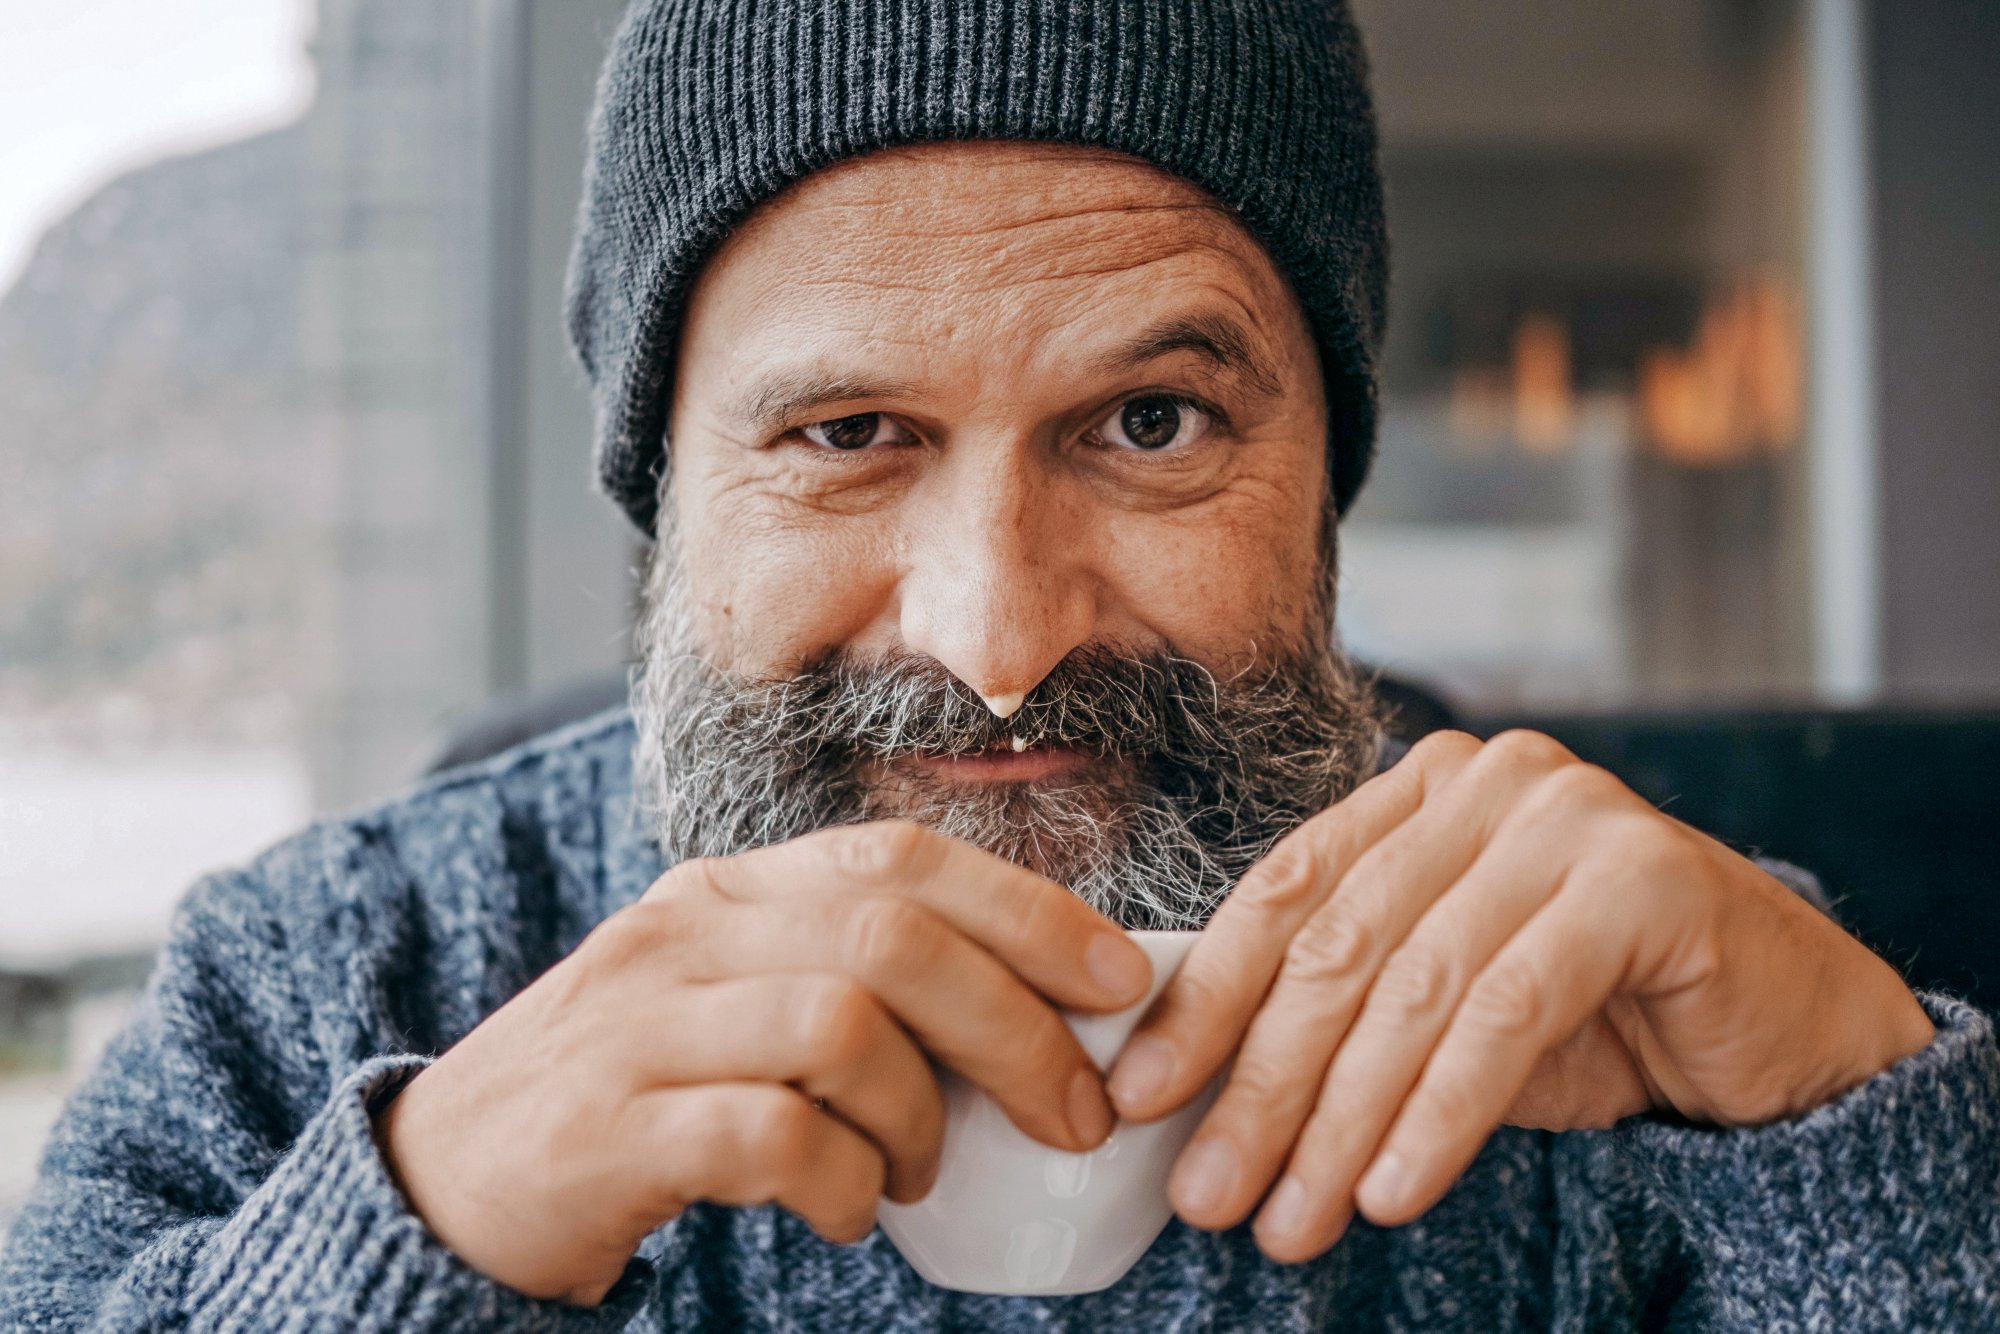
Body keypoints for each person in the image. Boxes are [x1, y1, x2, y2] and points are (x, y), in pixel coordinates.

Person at [4, 2, 1997, 1329]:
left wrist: (1872, 1146)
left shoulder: (1637, 1027)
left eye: (1148, 428)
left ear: (1323, 485)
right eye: (845, 435)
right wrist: (408, 1235)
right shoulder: (318, 992)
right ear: (666, 502)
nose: (998, 634)